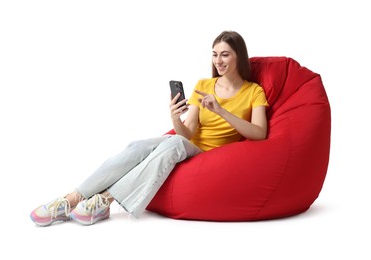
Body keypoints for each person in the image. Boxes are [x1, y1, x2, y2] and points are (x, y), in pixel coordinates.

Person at [30, 30, 269, 226]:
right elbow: (188, 133)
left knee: (174, 143)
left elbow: (260, 133)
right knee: (138, 146)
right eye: (215, 54)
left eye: (225, 55)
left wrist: (221, 111)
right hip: (187, 144)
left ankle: (105, 200)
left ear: (239, 56)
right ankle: (70, 200)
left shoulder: (253, 91)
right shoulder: (204, 85)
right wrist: (175, 118)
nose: (218, 61)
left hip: (211, 155)